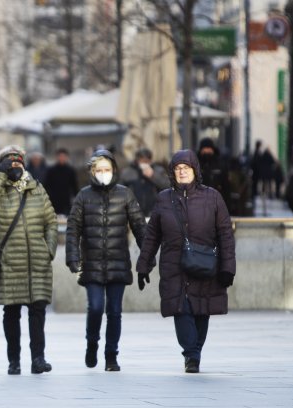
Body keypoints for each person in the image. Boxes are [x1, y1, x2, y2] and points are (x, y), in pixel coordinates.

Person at [135, 149, 236, 373]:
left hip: (206, 264)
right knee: (181, 309)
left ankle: (195, 350)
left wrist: (228, 267)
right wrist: (143, 266)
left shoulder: (212, 197)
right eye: (177, 169)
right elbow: (152, 236)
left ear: (195, 170)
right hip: (174, 265)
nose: (181, 172)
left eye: (186, 168)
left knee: (202, 310)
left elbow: (225, 234)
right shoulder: (163, 199)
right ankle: (191, 354)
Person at [0, 145, 57, 375]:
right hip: (9, 263)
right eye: (8, 162)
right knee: (11, 312)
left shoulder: (36, 188)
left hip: (37, 262)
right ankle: (14, 361)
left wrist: (48, 249)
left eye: (18, 161)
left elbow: (51, 221)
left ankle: (38, 359)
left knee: (37, 311)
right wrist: (0, 176)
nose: (15, 165)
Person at [65, 149, 146, 371]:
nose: (103, 173)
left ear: (114, 170)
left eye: (107, 169)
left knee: (114, 311)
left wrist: (146, 258)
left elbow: (140, 226)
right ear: (92, 172)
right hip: (91, 263)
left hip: (118, 262)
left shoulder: (125, 194)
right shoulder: (83, 196)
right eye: (99, 170)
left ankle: (111, 355)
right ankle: (92, 344)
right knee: (95, 307)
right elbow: (73, 229)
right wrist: (72, 257)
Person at [120, 147, 170, 215]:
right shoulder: (127, 172)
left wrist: (153, 176)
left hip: (155, 211)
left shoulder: (158, 170)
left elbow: (167, 185)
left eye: (146, 161)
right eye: (142, 161)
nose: (144, 164)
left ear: (150, 160)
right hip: (134, 212)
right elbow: (121, 192)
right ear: (137, 160)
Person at [42, 148, 79, 216]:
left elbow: (74, 186)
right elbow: (46, 185)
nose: (62, 158)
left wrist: (76, 198)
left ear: (67, 157)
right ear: (57, 157)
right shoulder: (51, 170)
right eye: (60, 156)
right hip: (53, 200)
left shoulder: (70, 170)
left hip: (66, 200)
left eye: (63, 156)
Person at [197, 138, 231, 206]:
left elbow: (226, 187)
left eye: (208, 148)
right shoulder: (196, 164)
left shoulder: (220, 165)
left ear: (212, 149)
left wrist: (227, 205)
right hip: (200, 202)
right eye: (204, 148)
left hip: (217, 202)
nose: (206, 151)